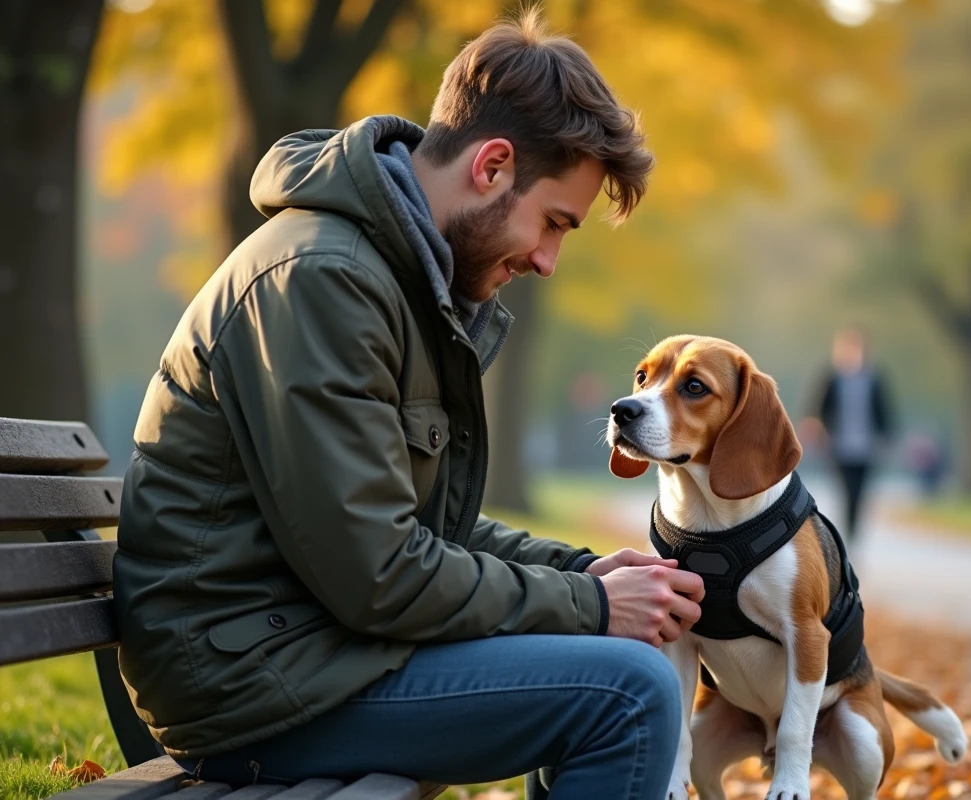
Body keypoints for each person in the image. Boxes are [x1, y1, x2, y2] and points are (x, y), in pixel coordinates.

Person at [112, 11, 704, 799]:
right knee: (627, 693)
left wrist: (579, 571)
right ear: (492, 166)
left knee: (621, 676)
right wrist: (588, 603)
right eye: (554, 223)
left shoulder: (398, 280)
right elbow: (381, 572)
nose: (548, 261)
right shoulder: (325, 280)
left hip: (310, 652)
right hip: (251, 687)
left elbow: (418, 528)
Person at [803, 327, 895, 542]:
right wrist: (816, 430)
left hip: (866, 447)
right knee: (846, 490)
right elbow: (818, 407)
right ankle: (846, 531)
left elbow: (883, 410)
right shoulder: (832, 378)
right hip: (838, 446)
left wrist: (887, 436)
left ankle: (853, 531)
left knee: (860, 492)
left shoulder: (874, 379)